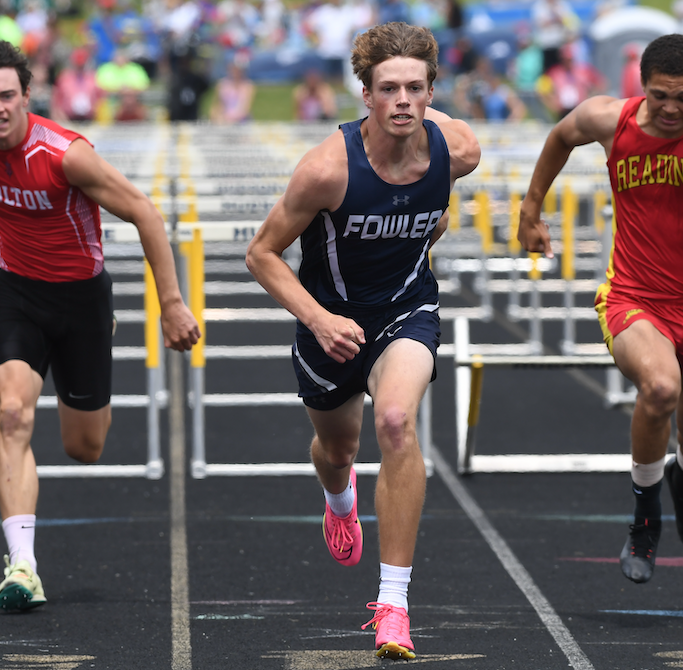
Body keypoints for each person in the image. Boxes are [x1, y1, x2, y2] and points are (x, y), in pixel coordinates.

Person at [0, 35, 201, 612]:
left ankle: (88, 371)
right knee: (11, 414)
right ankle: (22, 565)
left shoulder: (64, 154)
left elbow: (145, 212)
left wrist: (172, 303)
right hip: (18, 293)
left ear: (27, 94)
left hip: (82, 301)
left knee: (85, 448)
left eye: (7, 95)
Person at [245, 22, 480, 659]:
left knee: (398, 421)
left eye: (415, 87)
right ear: (367, 97)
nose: (402, 101)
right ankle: (337, 499)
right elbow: (262, 254)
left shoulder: (458, 149)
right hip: (331, 321)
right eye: (388, 89)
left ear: (432, 91)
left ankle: (394, 605)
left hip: (407, 309)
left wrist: (412, 248)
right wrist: (320, 319)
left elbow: (435, 214)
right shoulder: (326, 169)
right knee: (336, 448)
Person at [518, 33, 683, 585]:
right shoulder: (610, 119)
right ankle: (644, 519)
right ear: (642, 87)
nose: (672, 109)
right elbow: (561, 136)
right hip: (633, 295)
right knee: (659, 389)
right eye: (660, 96)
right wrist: (530, 208)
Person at [209, 57, 254, 124]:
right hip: (223, 120)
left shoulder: (248, 86)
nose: (236, 71)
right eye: (234, 68)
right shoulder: (222, 84)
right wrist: (215, 116)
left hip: (241, 121)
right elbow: (217, 105)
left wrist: (230, 119)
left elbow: (245, 109)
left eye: (238, 69)